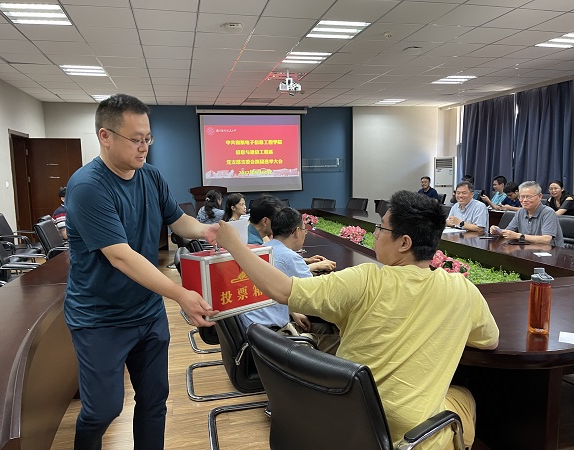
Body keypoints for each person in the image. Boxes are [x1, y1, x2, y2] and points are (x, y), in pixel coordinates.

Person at [216, 190, 499, 449]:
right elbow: (489, 341)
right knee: (463, 396)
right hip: (406, 436)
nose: (375, 233)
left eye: (381, 228)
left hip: (344, 421)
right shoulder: (462, 290)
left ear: (404, 242)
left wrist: (234, 245)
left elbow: (283, 290)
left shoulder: (364, 280)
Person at [65, 94, 219, 450]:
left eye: (148, 138)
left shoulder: (151, 175)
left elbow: (177, 220)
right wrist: (179, 294)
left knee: (154, 402)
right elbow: (121, 257)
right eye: (136, 139)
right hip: (100, 318)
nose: (144, 147)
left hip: (147, 312)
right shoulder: (88, 187)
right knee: (102, 410)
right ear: (105, 136)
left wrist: (207, 229)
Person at [239, 207, 339, 354]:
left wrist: (291, 311)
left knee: (325, 328)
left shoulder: (261, 250)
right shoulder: (290, 258)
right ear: (297, 232)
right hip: (273, 340)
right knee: (342, 342)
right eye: (304, 230)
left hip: (255, 333)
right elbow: (317, 298)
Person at [490, 181, 564, 246]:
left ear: (540, 196)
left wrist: (519, 236)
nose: (524, 200)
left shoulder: (548, 212)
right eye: (521, 197)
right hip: (527, 250)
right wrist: (498, 231)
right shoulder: (520, 212)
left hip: (550, 252)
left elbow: (546, 239)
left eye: (528, 197)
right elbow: (509, 232)